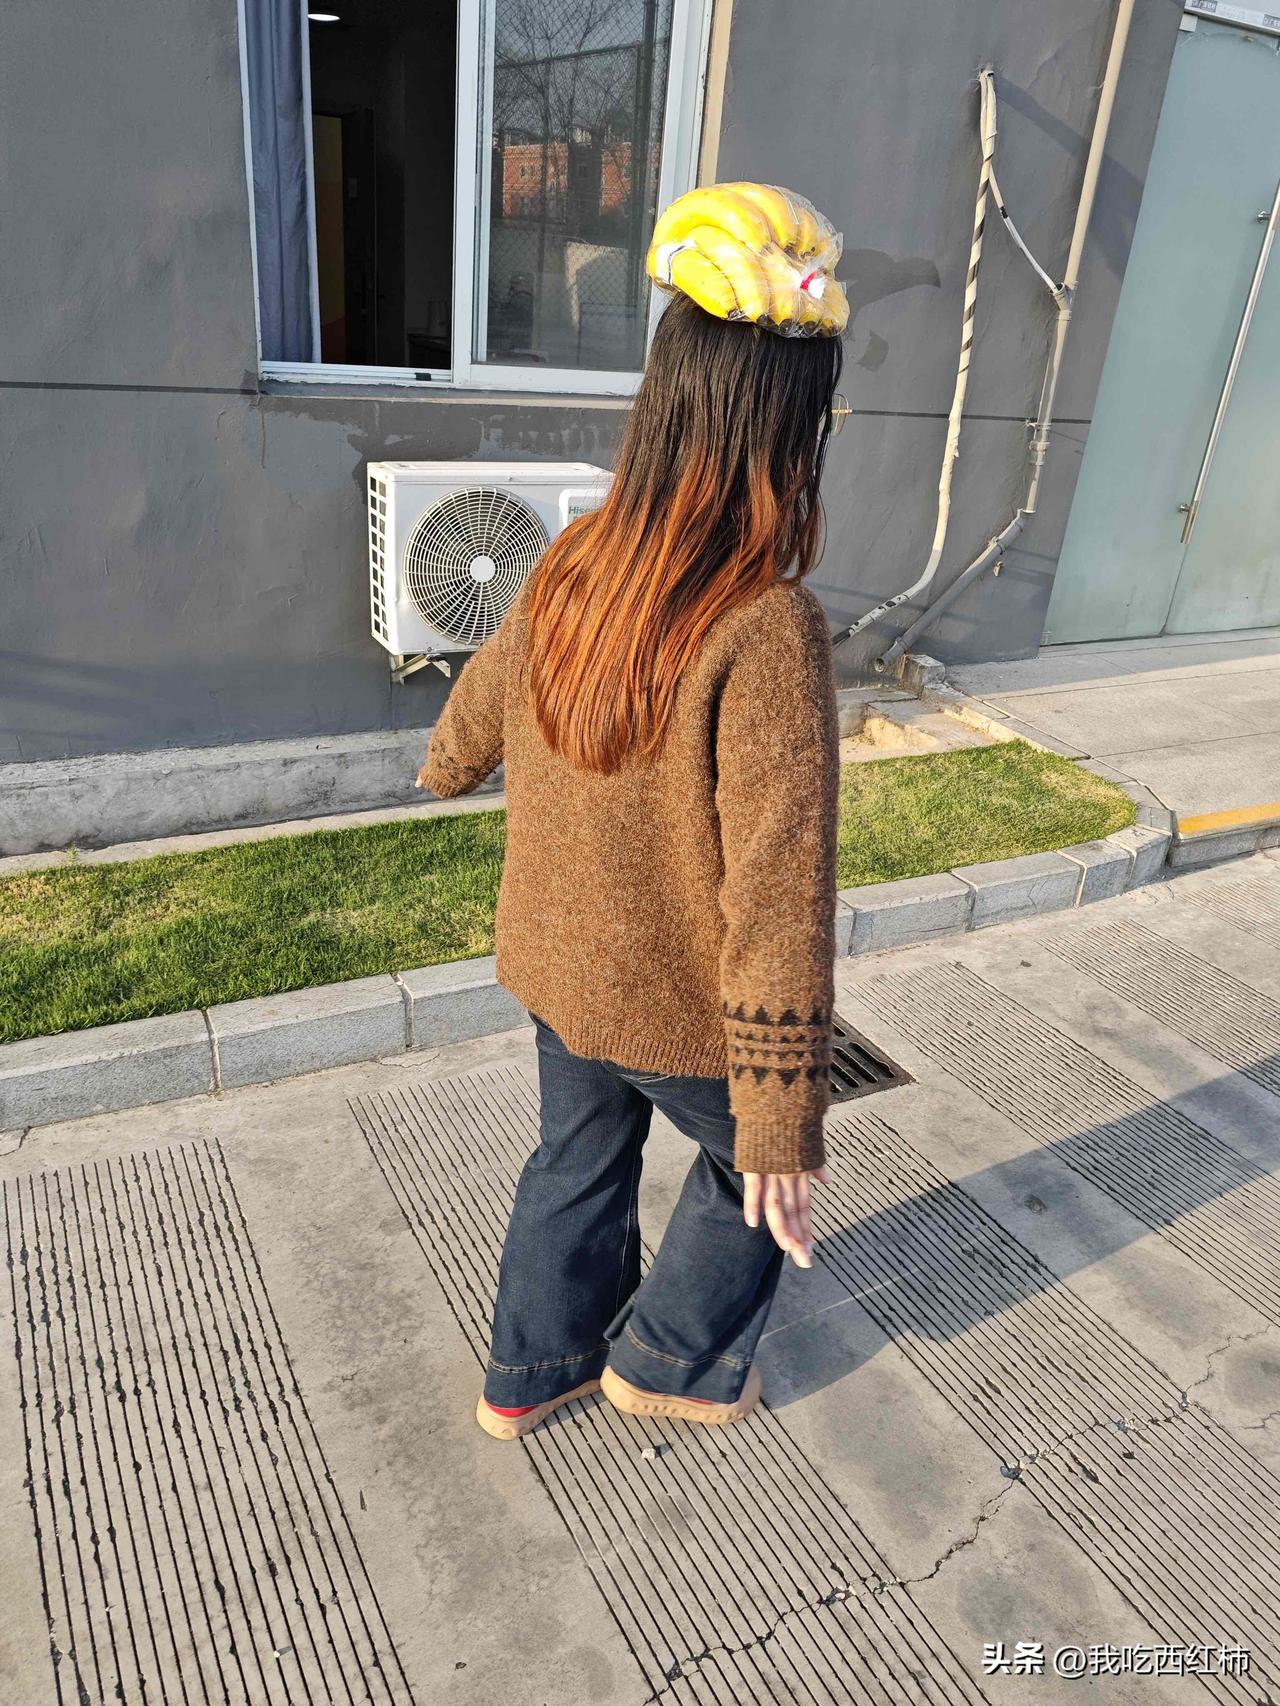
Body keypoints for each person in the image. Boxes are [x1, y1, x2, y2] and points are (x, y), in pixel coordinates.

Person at [416, 182, 848, 1440]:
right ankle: (669, 1356)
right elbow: (777, 888)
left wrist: (447, 761)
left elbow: (487, 686)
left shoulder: (579, 553)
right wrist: (781, 1123)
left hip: (559, 966)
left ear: (663, 397)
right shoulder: (766, 622)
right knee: (747, 1167)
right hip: (666, 998)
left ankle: (530, 1368)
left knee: (575, 1157)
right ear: (785, 426)